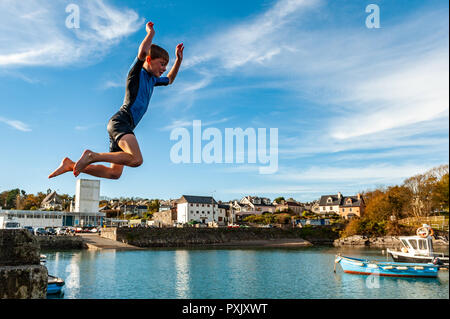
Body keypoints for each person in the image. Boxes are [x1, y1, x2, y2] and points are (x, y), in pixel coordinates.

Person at [49, 22, 184, 180]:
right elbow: (141, 53)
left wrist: (179, 60)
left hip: (123, 125)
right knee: (136, 159)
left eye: (166, 65)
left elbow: (170, 79)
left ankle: (70, 165)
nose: (164, 68)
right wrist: (151, 33)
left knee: (114, 173)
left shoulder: (153, 81)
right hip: (121, 122)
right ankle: (92, 156)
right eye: (162, 64)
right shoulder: (136, 73)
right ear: (149, 59)